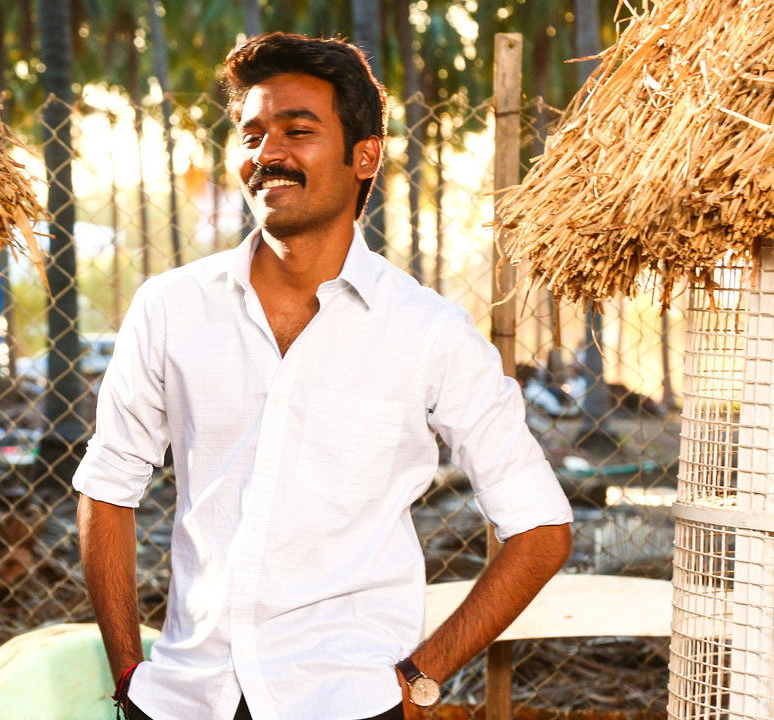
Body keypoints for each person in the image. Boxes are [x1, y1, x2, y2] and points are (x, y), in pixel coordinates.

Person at [75, 32, 573, 720]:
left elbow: (540, 528)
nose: (267, 153)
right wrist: (130, 672)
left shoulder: (429, 332)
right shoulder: (170, 307)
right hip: (186, 698)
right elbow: (107, 486)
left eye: (298, 130)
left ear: (364, 155)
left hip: (347, 700)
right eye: (252, 134)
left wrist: (420, 679)